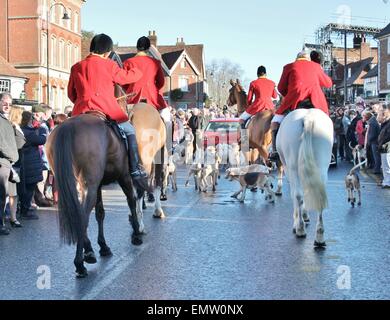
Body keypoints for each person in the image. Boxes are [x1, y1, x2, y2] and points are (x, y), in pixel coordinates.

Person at [68, 33, 149, 190]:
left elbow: (71, 94)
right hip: (106, 109)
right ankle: (134, 169)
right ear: (107, 52)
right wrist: (136, 68)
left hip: (80, 111)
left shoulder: (76, 67)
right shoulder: (109, 65)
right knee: (130, 130)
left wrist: (83, 103)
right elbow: (128, 77)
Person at [269, 50, 332, 161]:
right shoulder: (316, 66)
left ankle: (273, 151)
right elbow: (328, 83)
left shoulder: (288, 67)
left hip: (294, 100)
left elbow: (280, 88)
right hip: (315, 101)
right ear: (308, 58)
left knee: (273, 122)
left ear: (297, 58)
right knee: (327, 121)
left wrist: (289, 95)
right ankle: (329, 150)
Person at [123, 36, 173, 151]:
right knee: (167, 119)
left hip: (132, 99)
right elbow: (161, 82)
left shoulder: (128, 62)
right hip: (152, 98)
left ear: (137, 48)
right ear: (148, 48)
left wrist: (130, 90)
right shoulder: (155, 62)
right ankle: (168, 149)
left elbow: (124, 83)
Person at [18, 111, 47, 220]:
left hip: (25, 162)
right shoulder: (29, 133)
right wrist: (43, 130)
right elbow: (42, 140)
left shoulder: (22, 130)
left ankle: (23, 209)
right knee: (29, 189)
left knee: (24, 188)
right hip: (30, 164)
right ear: (29, 120)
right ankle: (25, 211)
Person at [0, 93, 20, 235]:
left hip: (7, 163)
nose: (7, 106)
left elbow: (19, 142)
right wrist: (12, 156)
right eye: (4, 102)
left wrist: (17, 129)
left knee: (4, 196)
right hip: (2, 162)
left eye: (10, 103)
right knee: (1, 196)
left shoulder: (8, 121)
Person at [7, 106, 26, 227]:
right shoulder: (11, 127)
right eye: (21, 114)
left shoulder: (17, 127)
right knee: (9, 192)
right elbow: (18, 143)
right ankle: (10, 217)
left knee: (14, 193)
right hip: (12, 162)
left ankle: (13, 217)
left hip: (19, 161)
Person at [363, 110, 381, 174]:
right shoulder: (372, 121)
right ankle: (375, 168)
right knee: (375, 156)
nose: (363, 118)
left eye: (364, 116)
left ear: (367, 117)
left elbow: (372, 134)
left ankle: (377, 169)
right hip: (374, 141)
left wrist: (368, 141)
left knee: (376, 156)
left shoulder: (372, 122)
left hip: (374, 142)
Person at [378, 104, 390, 188]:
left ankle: (387, 182)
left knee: (388, 165)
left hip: (387, 147)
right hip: (383, 146)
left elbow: (388, 136)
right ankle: (386, 181)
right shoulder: (384, 123)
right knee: (385, 166)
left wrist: (383, 143)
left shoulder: (388, 123)